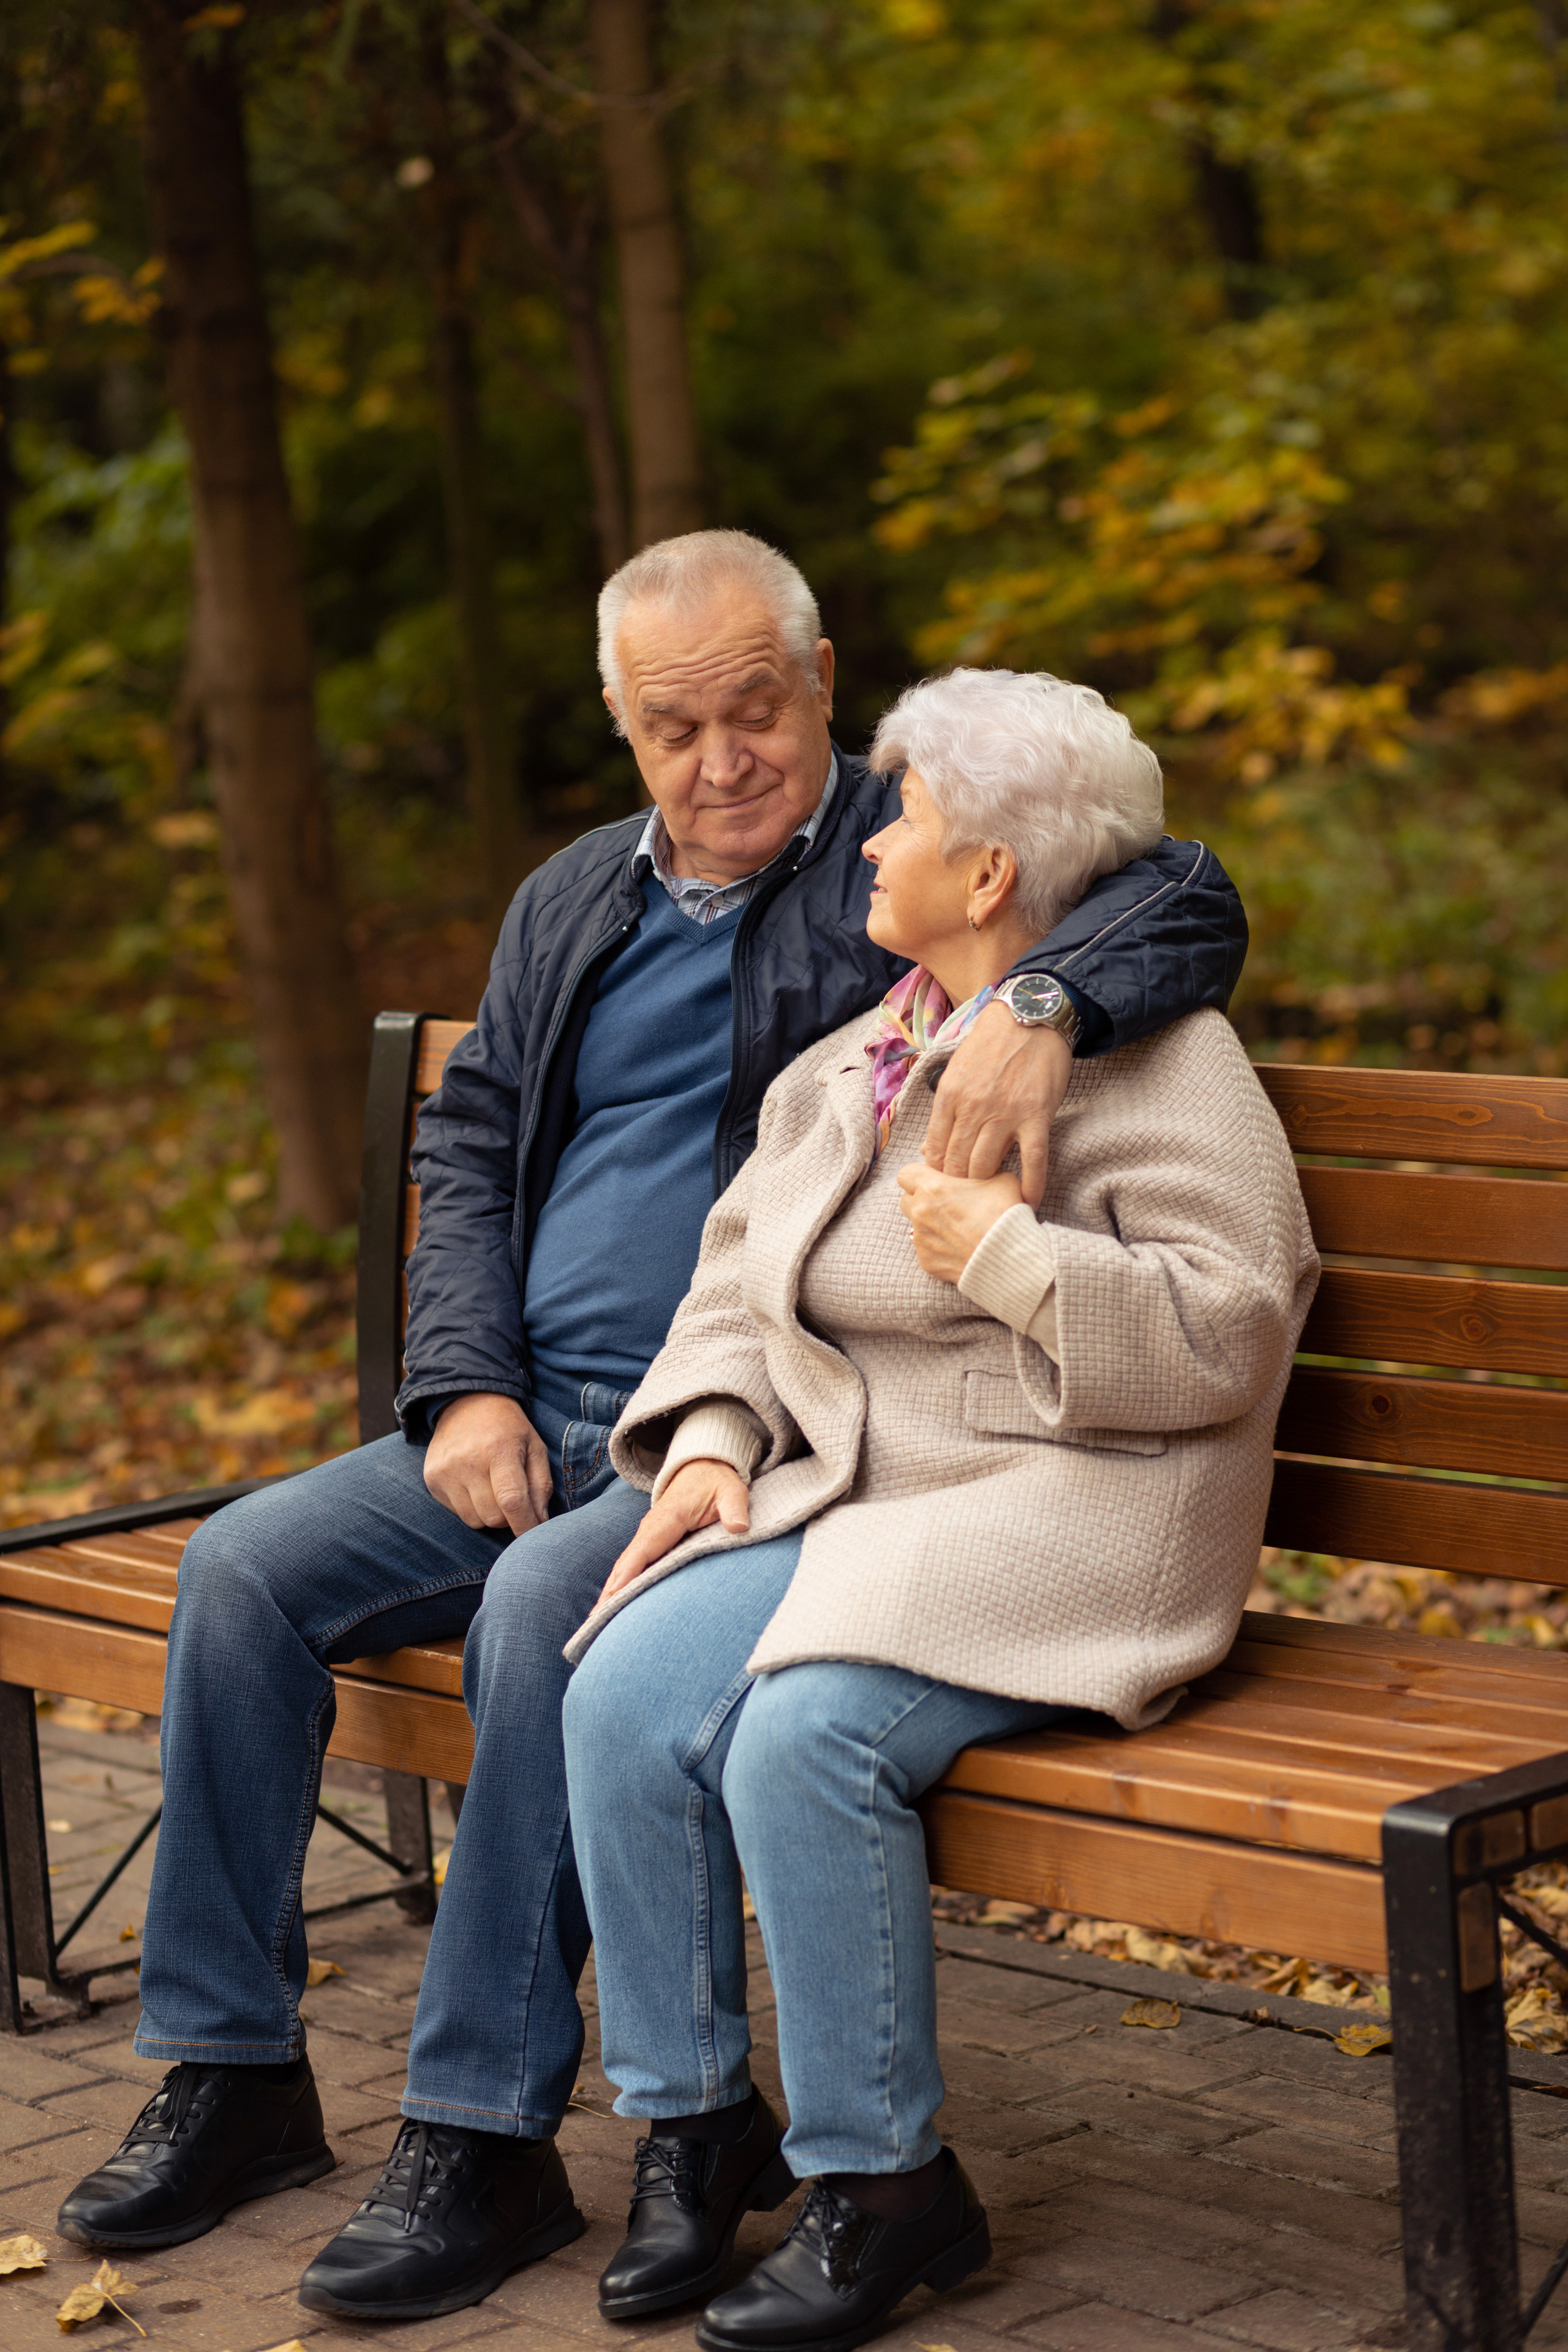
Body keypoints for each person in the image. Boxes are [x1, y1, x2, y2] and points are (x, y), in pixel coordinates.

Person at [56, 535, 1249, 2324]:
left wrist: (1039, 1002)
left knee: (549, 1608)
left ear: (822, 680)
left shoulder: (912, 856)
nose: (721, 763)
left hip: (753, 1429)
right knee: (239, 1573)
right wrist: (463, 1384)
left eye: (754, 710)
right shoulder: (572, 900)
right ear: (620, 726)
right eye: (672, 730)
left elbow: (1186, 894)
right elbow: (472, 1149)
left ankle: (485, 2134)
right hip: (527, 1408)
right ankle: (230, 2073)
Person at [559, 668, 1317, 2351]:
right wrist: (710, 1442)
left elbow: (1235, 1330)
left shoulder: (1167, 1062)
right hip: (872, 1501)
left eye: (899, 813)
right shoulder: (862, 1058)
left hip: (1080, 1508)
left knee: (799, 1738)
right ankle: (695, 2122)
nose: (867, 839)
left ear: (990, 873)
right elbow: (736, 1283)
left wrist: (1016, 1262)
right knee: (617, 1685)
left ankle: (883, 2183)